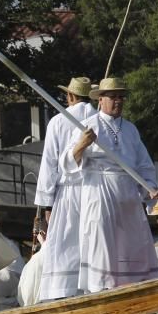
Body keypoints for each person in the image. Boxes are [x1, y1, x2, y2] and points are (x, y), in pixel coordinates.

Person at [63, 77, 158, 292]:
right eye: (112, 96)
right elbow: (66, 163)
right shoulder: (88, 126)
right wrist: (82, 144)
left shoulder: (131, 129)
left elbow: (144, 165)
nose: (118, 101)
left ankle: (137, 289)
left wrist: (150, 187)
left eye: (121, 97)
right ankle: (102, 290)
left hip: (127, 195)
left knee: (134, 245)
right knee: (103, 244)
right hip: (100, 192)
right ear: (100, 99)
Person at [35, 76, 96, 300]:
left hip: (68, 191)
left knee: (65, 243)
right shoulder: (99, 118)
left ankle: (64, 293)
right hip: (95, 190)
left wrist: (46, 204)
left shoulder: (58, 122)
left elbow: (49, 165)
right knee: (92, 240)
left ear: (70, 96)